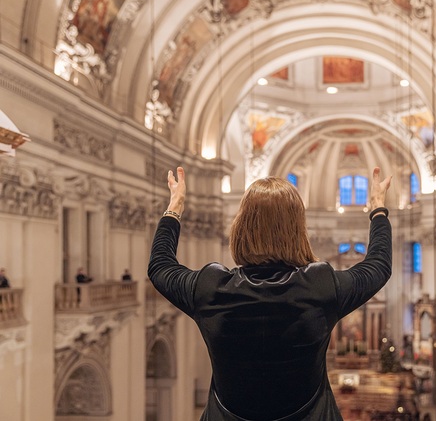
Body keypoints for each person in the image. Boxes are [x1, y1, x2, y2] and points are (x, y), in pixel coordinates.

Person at [148, 166, 392, 420]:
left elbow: (160, 267)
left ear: (241, 227)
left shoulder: (212, 288)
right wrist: (377, 210)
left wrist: (174, 208)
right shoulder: (320, 287)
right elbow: (378, 266)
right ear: (299, 231)